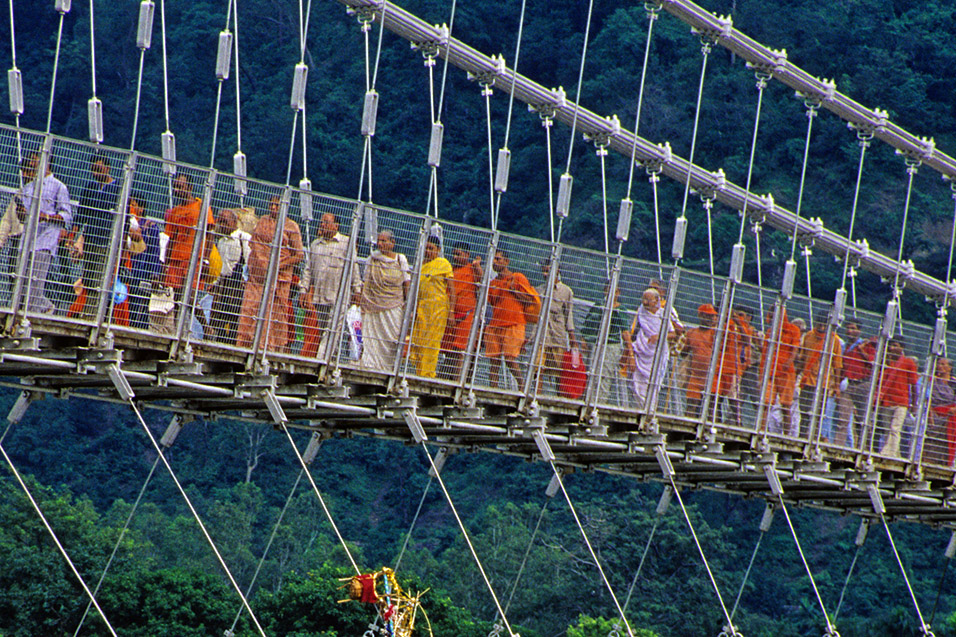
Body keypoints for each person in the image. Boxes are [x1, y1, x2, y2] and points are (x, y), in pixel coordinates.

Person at [237, 196, 303, 352]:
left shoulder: (291, 226)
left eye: (277, 205)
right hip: (257, 276)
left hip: (279, 277)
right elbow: (253, 244)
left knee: (274, 311)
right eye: (271, 204)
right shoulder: (262, 221)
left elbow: (299, 255)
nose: (273, 208)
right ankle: (244, 345)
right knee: (250, 307)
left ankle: (269, 348)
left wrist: (279, 265)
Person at [14, 152, 72, 314]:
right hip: (27, 241)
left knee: (35, 282)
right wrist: (22, 213)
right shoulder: (28, 187)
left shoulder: (58, 186)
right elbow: (23, 218)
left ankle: (37, 313)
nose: (33, 163)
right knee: (21, 283)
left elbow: (67, 216)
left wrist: (45, 216)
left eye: (36, 159)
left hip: (45, 241)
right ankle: (43, 307)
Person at [299, 212, 361, 359]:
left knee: (333, 329)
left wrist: (357, 289)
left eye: (326, 222)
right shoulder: (315, 244)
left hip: (339, 295)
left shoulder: (346, 243)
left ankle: (321, 360)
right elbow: (308, 270)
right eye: (321, 222)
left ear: (336, 225)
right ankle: (327, 359)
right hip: (319, 296)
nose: (322, 225)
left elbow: (354, 268)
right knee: (321, 330)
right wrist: (303, 290)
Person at [160, 172, 215, 334]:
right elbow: (170, 238)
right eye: (175, 187)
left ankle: (206, 327)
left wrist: (205, 259)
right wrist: (166, 261)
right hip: (176, 259)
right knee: (177, 299)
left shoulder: (202, 207)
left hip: (194, 259)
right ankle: (179, 330)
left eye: (181, 187)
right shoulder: (174, 212)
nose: (177, 190)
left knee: (189, 296)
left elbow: (210, 234)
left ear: (189, 188)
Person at [72, 153, 122, 320]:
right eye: (93, 170)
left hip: (106, 241)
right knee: (88, 277)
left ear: (107, 168)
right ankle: (89, 313)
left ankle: (93, 316)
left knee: (100, 280)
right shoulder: (90, 189)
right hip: (91, 240)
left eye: (99, 169)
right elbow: (81, 215)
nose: (96, 173)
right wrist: (74, 237)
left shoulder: (118, 190)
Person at [486, 249, 538, 389]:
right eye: (493, 259)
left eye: (498, 259)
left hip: (514, 323)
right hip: (496, 324)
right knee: (494, 360)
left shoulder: (517, 277)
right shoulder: (493, 283)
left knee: (510, 357)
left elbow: (530, 299)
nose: (495, 262)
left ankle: (522, 385)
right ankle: (493, 389)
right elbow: (492, 302)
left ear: (506, 261)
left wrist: (514, 291)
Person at [359, 230, 410, 371]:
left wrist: (409, 304)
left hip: (394, 304)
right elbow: (366, 282)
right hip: (372, 305)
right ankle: (370, 367)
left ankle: (388, 369)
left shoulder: (400, 259)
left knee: (393, 336)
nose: (380, 244)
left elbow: (406, 282)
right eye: (379, 241)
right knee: (371, 336)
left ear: (392, 243)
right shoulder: (372, 258)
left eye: (384, 241)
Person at [680, 303, 740, 423]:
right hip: (696, 375)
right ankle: (685, 428)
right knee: (691, 404)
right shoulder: (692, 333)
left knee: (713, 406)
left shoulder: (717, 332)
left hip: (713, 375)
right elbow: (683, 352)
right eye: (707, 316)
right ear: (700, 316)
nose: (711, 319)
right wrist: (678, 339)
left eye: (712, 316)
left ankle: (713, 430)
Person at [409, 237, 455, 378]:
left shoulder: (443, 264)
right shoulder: (421, 266)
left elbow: (452, 290)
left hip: (438, 308)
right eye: (426, 248)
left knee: (432, 342)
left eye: (431, 249)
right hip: (422, 307)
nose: (428, 252)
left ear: (438, 250)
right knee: (418, 341)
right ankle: (419, 373)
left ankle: (428, 375)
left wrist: (451, 312)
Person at [580, 280, 630, 406]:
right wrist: (584, 339)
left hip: (611, 345)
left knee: (605, 374)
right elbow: (588, 323)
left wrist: (629, 349)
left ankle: (600, 402)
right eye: (608, 290)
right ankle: (589, 400)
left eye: (614, 290)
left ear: (618, 293)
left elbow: (625, 331)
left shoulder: (620, 309)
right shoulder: (598, 305)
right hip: (597, 343)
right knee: (592, 371)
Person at [794, 316, 843, 442]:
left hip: (824, 383)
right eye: (819, 325)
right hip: (807, 380)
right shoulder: (809, 336)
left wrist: (837, 386)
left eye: (824, 326)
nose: (821, 328)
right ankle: (802, 435)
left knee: (818, 412)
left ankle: (814, 437)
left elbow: (837, 365)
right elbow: (803, 358)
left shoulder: (834, 340)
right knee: (804, 410)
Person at [623, 287, 674, 408]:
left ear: (656, 300)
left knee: (652, 385)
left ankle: (650, 412)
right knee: (637, 386)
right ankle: (641, 410)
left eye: (648, 300)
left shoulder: (663, 314)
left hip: (656, 354)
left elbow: (673, 333)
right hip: (641, 352)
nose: (645, 302)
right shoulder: (640, 312)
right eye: (643, 299)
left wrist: (659, 336)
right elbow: (632, 332)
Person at [439, 242, 482, 380]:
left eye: (459, 254)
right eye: (454, 254)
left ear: (467, 255)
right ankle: (446, 378)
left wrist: (477, 267)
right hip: (450, 314)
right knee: (449, 347)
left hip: (467, 315)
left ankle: (459, 380)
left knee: (461, 348)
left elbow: (482, 281)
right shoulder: (450, 269)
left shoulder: (472, 269)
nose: (455, 257)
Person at [533, 260, 577, 393]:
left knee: (558, 370)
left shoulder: (566, 291)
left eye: (548, 271)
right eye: (544, 271)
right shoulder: (539, 290)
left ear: (557, 271)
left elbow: (569, 316)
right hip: (542, 336)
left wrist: (573, 339)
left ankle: (560, 398)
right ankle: (536, 396)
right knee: (537, 367)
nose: (545, 274)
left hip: (557, 336)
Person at [209, 209, 251, 344]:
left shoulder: (243, 238)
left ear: (233, 222)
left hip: (238, 284)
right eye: (220, 222)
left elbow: (250, 261)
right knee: (219, 319)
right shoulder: (221, 242)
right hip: (224, 284)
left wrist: (246, 279)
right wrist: (215, 284)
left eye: (224, 222)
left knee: (235, 320)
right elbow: (222, 267)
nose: (221, 225)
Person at [760, 308, 802, 435]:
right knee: (766, 403)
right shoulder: (769, 332)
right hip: (771, 372)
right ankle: (761, 431)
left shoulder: (793, 330)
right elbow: (764, 354)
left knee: (786, 405)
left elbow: (795, 349)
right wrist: (761, 376)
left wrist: (788, 362)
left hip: (786, 373)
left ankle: (787, 434)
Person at [876, 336, 918, 458]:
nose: (892, 348)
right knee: (887, 429)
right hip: (886, 401)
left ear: (902, 348)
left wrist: (914, 404)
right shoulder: (884, 361)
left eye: (895, 345)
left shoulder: (908, 363)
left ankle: (888, 453)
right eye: (891, 345)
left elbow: (914, 384)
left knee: (895, 429)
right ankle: (896, 455)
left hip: (901, 401)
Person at [835, 320, 875, 448]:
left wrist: (862, 351)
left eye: (853, 328)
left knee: (864, 420)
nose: (850, 331)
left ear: (859, 331)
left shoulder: (867, 345)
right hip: (848, 384)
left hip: (863, 384)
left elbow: (873, 363)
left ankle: (864, 448)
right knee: (843, 419)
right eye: (848, 328)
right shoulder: (845, 346)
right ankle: (837, 447)